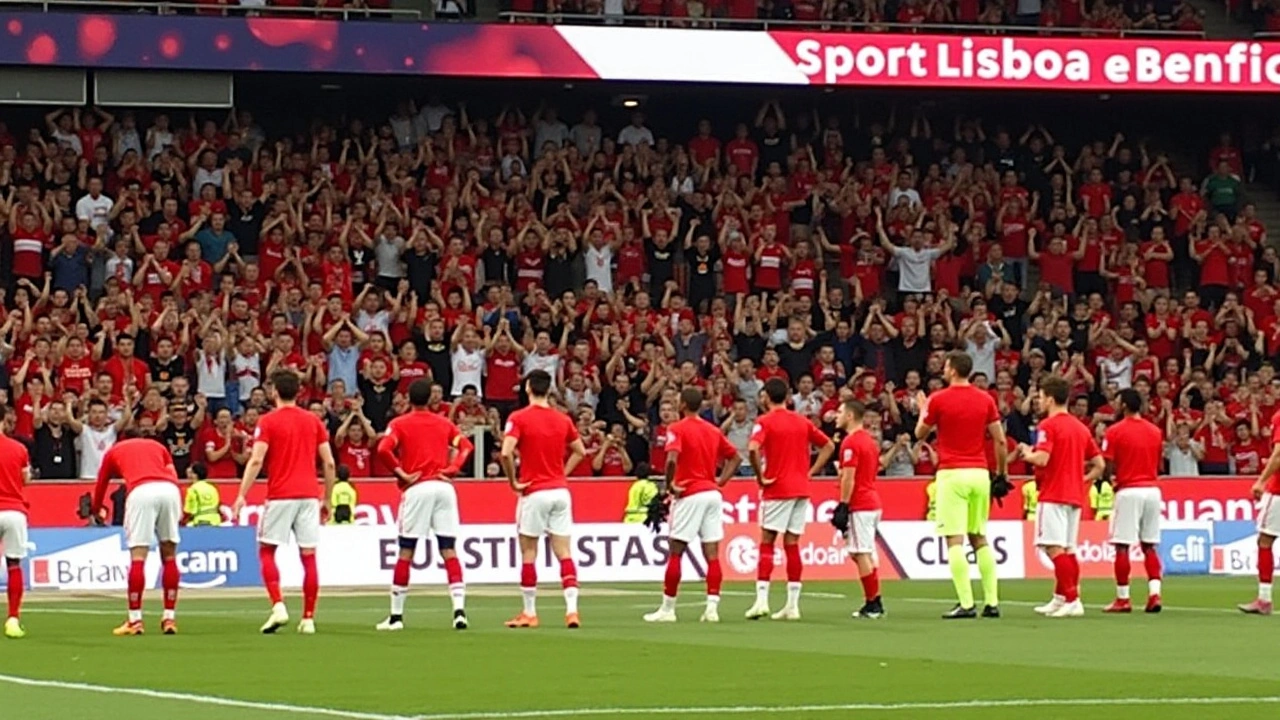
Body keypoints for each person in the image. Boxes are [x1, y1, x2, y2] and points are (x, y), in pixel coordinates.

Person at [232, 370, 337, 635]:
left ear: (274, 392)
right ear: (299, 392)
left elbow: (256, 460)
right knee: (309, 556)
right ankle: (309, 618)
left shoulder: (268, 422)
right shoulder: (313, 421)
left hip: (280, 494)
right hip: (309, 495)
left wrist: (242, 494)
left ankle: (278, 605)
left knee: (267, 551)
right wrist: (328, 497)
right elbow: (329, 462)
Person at [373, 378, 475, 631]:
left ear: (408, 399)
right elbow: (466, 446)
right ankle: (459, 611)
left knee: (406, 551)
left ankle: (396, 617)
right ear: (432, 398)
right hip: (443, 487)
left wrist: (401, 473)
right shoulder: (444, 423)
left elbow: (384, 449)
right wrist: (452, 469)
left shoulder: (399, 423)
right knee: (448, 549)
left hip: (417, 487)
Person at [915, 350, 1010, 619]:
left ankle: (966, 604)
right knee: (979, 537)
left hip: (952, 473)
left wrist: (924, 410)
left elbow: (919, 433)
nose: (943, 370)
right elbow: (1000, 440)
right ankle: (992, 602)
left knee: (954, 540)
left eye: (945, 366)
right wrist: (1001, 474)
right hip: (980, 473)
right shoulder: (986, 399)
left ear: (953, 369)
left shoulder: (938, 399)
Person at [642, 388, 739, 624]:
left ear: (683, 404)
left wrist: (670, 485)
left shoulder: (677, 428)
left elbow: (672, 459)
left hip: (690, 493)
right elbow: (736, 457)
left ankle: (668, 608)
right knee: (712, 554)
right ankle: (712, 609)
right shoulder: (713, 430)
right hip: (712, 494)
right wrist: (720, 481)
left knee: (676, 550)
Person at [499, 369, 587, 629]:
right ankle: (572, 611)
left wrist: (513, 481)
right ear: (549, 390)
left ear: (527, 388)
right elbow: (580, 451)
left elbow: (506, 453)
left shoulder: (519, 418)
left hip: (534, 491)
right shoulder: (562, 419)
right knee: (564, 552)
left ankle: (530, 612)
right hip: (560, 491)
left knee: (529, 551)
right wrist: (562, 473)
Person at [744, 378, 835, 621]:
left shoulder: (764, 421)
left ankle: (762, 601)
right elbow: (828, 445)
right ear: (787, 397)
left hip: (777, 488)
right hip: (801, 489)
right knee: (792, 544)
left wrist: (760, 476)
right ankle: (792, 605)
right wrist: (811, 472)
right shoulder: (801, 421)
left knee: (767, 541)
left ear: (766, 397)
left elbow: (752, 448)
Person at [1017, 375, 1105, 619]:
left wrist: (1026, 452)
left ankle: (1073, 599)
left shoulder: (1048, 426)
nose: (1039, 401)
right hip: (1075, 495)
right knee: (1067, 549)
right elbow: (1098, 465)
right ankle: (1059, 598)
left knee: (1054, 549)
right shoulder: (1080, 427)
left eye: (1042, 397)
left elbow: (1042, 459)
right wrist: (1083, 480)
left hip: (1054, 492)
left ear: (1051, 398)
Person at [93, 434, 183, 636]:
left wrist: (96, 508)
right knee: (169, 555)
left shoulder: (113, 452)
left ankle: (135, 620)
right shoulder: (158, 446)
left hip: (141, 491)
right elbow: (172, 473)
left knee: (138, 557)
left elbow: (102, 483)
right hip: (170, 490)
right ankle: (169, 617)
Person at [1100, 388, 1165, 614]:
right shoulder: (1155, 431)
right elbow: (1158, 463)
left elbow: (1107, 464)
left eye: (1118, 402)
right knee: (1149, 545)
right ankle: (1155, 594)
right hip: (1152, 489)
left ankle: (1123, 598)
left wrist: (1108, 480)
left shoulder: (1115, 431)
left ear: (1125, 405)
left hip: (1129, 489)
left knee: (1122, 546)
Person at [830, 400, 884, 619]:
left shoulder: (851, 443)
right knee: (859, 552)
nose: (836, 415)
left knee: (860, 552)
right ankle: (874, 598)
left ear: (850, 416)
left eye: (840, 412)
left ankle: (874, 602)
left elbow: (849, 477)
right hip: (871, 500)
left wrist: (843, 504)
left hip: (860, 504)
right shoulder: (869, 441)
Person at [1242, 399, 1280, 615]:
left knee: (1265, 540)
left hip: (1279, 492)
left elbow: (1279, 454)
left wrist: (1261, 481)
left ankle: (1264, 599)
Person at [0, 406, 31, 639]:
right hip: (14, 510)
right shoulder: (19, 449)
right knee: (14, 565)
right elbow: (25, 479)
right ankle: (13, 618)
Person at [182, 462, 222, 527]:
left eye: (191, 472)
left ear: (195, 475)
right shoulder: (213, 487)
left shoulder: (193, 489)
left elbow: (189, 510)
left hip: (200, 522)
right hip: (216, 521)